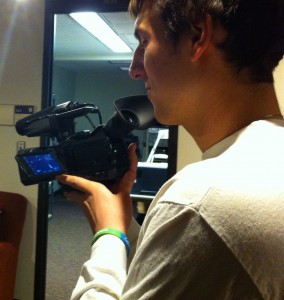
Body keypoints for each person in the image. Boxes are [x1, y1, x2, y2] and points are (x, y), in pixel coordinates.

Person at [57, 0, 284, 299]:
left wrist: (108, 234)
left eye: (144, 41)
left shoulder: (200, 202)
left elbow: (201, 216)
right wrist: (125, 222)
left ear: (197, 36)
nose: (135, 70)